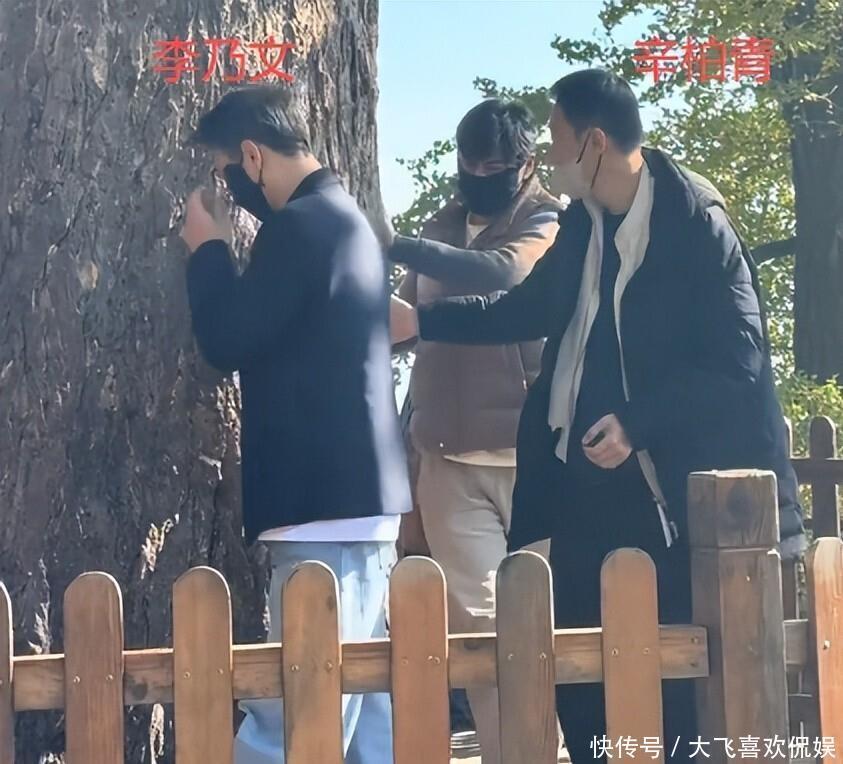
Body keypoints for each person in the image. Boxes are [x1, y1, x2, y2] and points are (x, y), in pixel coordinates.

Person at [390, 69, 806, 762]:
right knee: (579, 678)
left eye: (556, 141)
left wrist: (639, 422)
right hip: (583, 481)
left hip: (675, 494)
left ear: (593, 143)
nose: (550, 159)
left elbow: (740, 359)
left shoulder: (693, 220)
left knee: (677, 688)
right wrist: (422, 321)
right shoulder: (585, 221)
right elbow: (526, 307)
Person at [180, 85, 411, 764]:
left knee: (297, 713)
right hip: (358, 502)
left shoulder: (300, 227)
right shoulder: (347, 219)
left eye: (226, 169)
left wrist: (208, 251)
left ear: (252, 156)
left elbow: (228, 338)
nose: (229, 186)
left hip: (321, 506)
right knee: (362, 714)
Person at [383, 98, 561, 764]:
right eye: (470, 164)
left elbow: (505, 273)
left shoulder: (547, 221)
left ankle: (545, 746)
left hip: (533, 459)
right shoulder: (441, 226)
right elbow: (401, 322)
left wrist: (395, 244)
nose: (480, 176)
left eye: (496, 168)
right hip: (448, 459)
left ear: (527, 165)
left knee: (540, 624)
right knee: (482, 629)